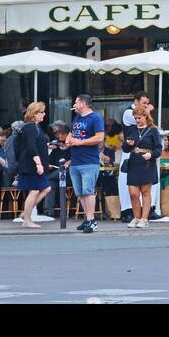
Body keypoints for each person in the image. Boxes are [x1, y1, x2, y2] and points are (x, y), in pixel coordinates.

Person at [66, 94, 105, 233]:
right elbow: (72, 133)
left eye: (76, 102)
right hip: (76, 160)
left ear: (83, 103)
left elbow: (100, 137)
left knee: (88, 191)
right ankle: (87, 219)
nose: (74, 104)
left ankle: (91, 220)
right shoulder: (76, 118)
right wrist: (68, 139)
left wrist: (80, 142)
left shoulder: (95, 118)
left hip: (89, 160)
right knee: (80, 192)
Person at [118, 93, 159, 223]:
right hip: (133, 161)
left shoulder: (152, 130)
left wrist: (151, 154)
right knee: (133, 192)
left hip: (146, 163)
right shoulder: (130, 121)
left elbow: (158, 148)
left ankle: (144, 218)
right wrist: (128, 144)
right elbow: (125, 146)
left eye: (139, 118)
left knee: (146, 191)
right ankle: (134, 215)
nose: (137, 120)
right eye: (136, 118)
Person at [16, 102, 52, 229]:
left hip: (30, 164)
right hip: (31, 165)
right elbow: (31, 147)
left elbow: (34, 144)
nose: (44, 114)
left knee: (45, 188)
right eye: (41, 112)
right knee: (35, 190)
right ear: (34, 114)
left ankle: (26, 213)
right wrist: (39, 164)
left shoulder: (33, 127)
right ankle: (27, 218)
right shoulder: (31, 127)